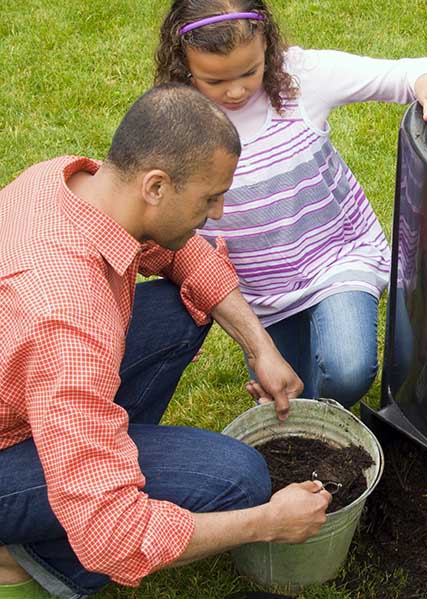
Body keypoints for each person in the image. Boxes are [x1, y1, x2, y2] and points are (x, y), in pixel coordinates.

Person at [0, 83, 331, 599]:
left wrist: (259, 347)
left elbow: (183, 254)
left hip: (29, 385)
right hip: (10, 443)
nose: (218, 212)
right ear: (155, 186)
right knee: (239, 479)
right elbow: (113, 534)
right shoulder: (69, 317)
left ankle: (94, 455)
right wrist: (268, 522)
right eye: (209, 198)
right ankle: (30, 558)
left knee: (181, 309)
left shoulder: (66, 182)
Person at [154, 0, 427, 408]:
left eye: (250, 72)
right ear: (184, 65)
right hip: (259, 291)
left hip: (334, 259)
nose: (236, 90)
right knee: (286, 390)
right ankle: (308, 419)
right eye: (215, 80)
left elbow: (397, 74)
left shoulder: (299, 79)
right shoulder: (174, 118)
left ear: (268, 46)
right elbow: (161, 218)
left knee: (347, 370)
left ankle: (320, 412)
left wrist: (426, 78)